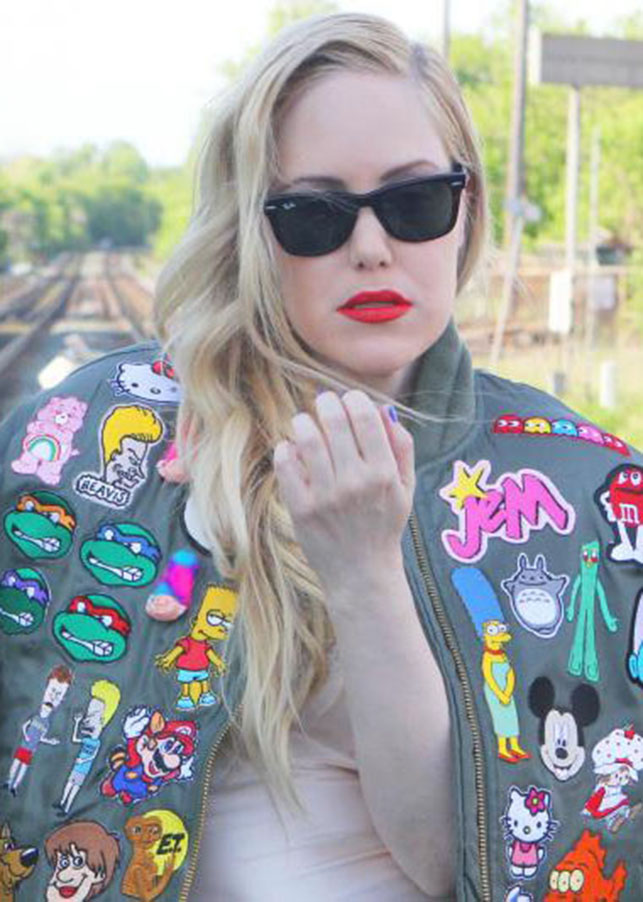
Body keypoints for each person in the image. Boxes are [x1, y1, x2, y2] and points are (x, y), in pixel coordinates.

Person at [0, 11, 641, 902]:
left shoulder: (580, 490)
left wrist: (363, 573)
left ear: (465, 211)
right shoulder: (82, 442)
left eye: (415, 203)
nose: (371, 249)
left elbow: (463, 859)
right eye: (313, 215)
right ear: (246, 228)